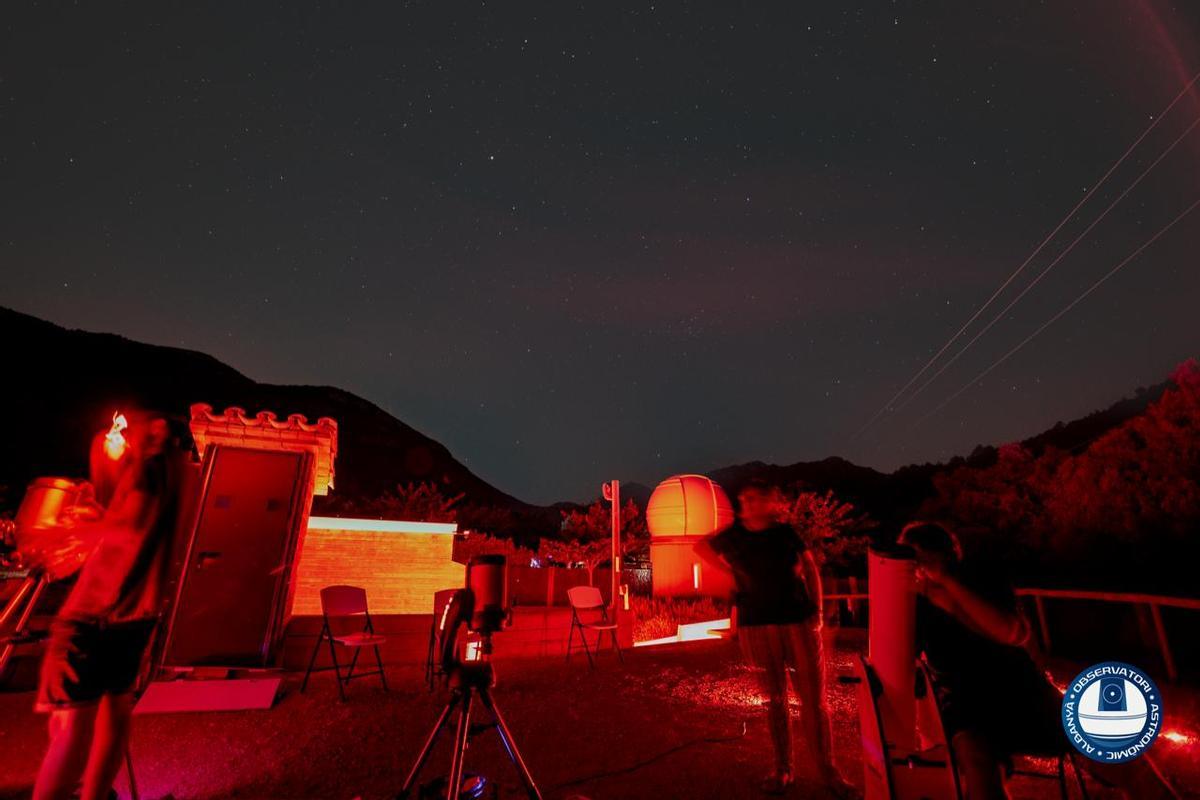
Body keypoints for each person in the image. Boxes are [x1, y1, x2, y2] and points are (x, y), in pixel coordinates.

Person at [899, 521, 1179, 800]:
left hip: (1028, 695)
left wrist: (946, 582)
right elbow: (899, 658)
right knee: (978, 769)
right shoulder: (916, 605)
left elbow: (1011, 632)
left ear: (946, 554)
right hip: (968, 708)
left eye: (917, 557)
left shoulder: (982, 579)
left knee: (1122, 756)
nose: (915, 567)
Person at [33, 413, 186, 800]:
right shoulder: (173, 480)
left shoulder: (146, 476)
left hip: (93, 617)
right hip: (133, 619)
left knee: (70, 730)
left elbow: (125, 529)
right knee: (113, 716)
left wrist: (72, 530)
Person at [697, 480, 853, 797]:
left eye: (754, 498)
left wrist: (819, 612)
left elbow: (810, 569)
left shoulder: (785, 533)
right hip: (756, 624)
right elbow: (700, 548)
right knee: (775, 701)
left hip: (796, 619)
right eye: (745, 498)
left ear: (771, 502)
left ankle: (828, 772)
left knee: (813, 700)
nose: (747, 502)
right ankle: (783, 769)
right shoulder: (734, 537)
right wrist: (729, 573)